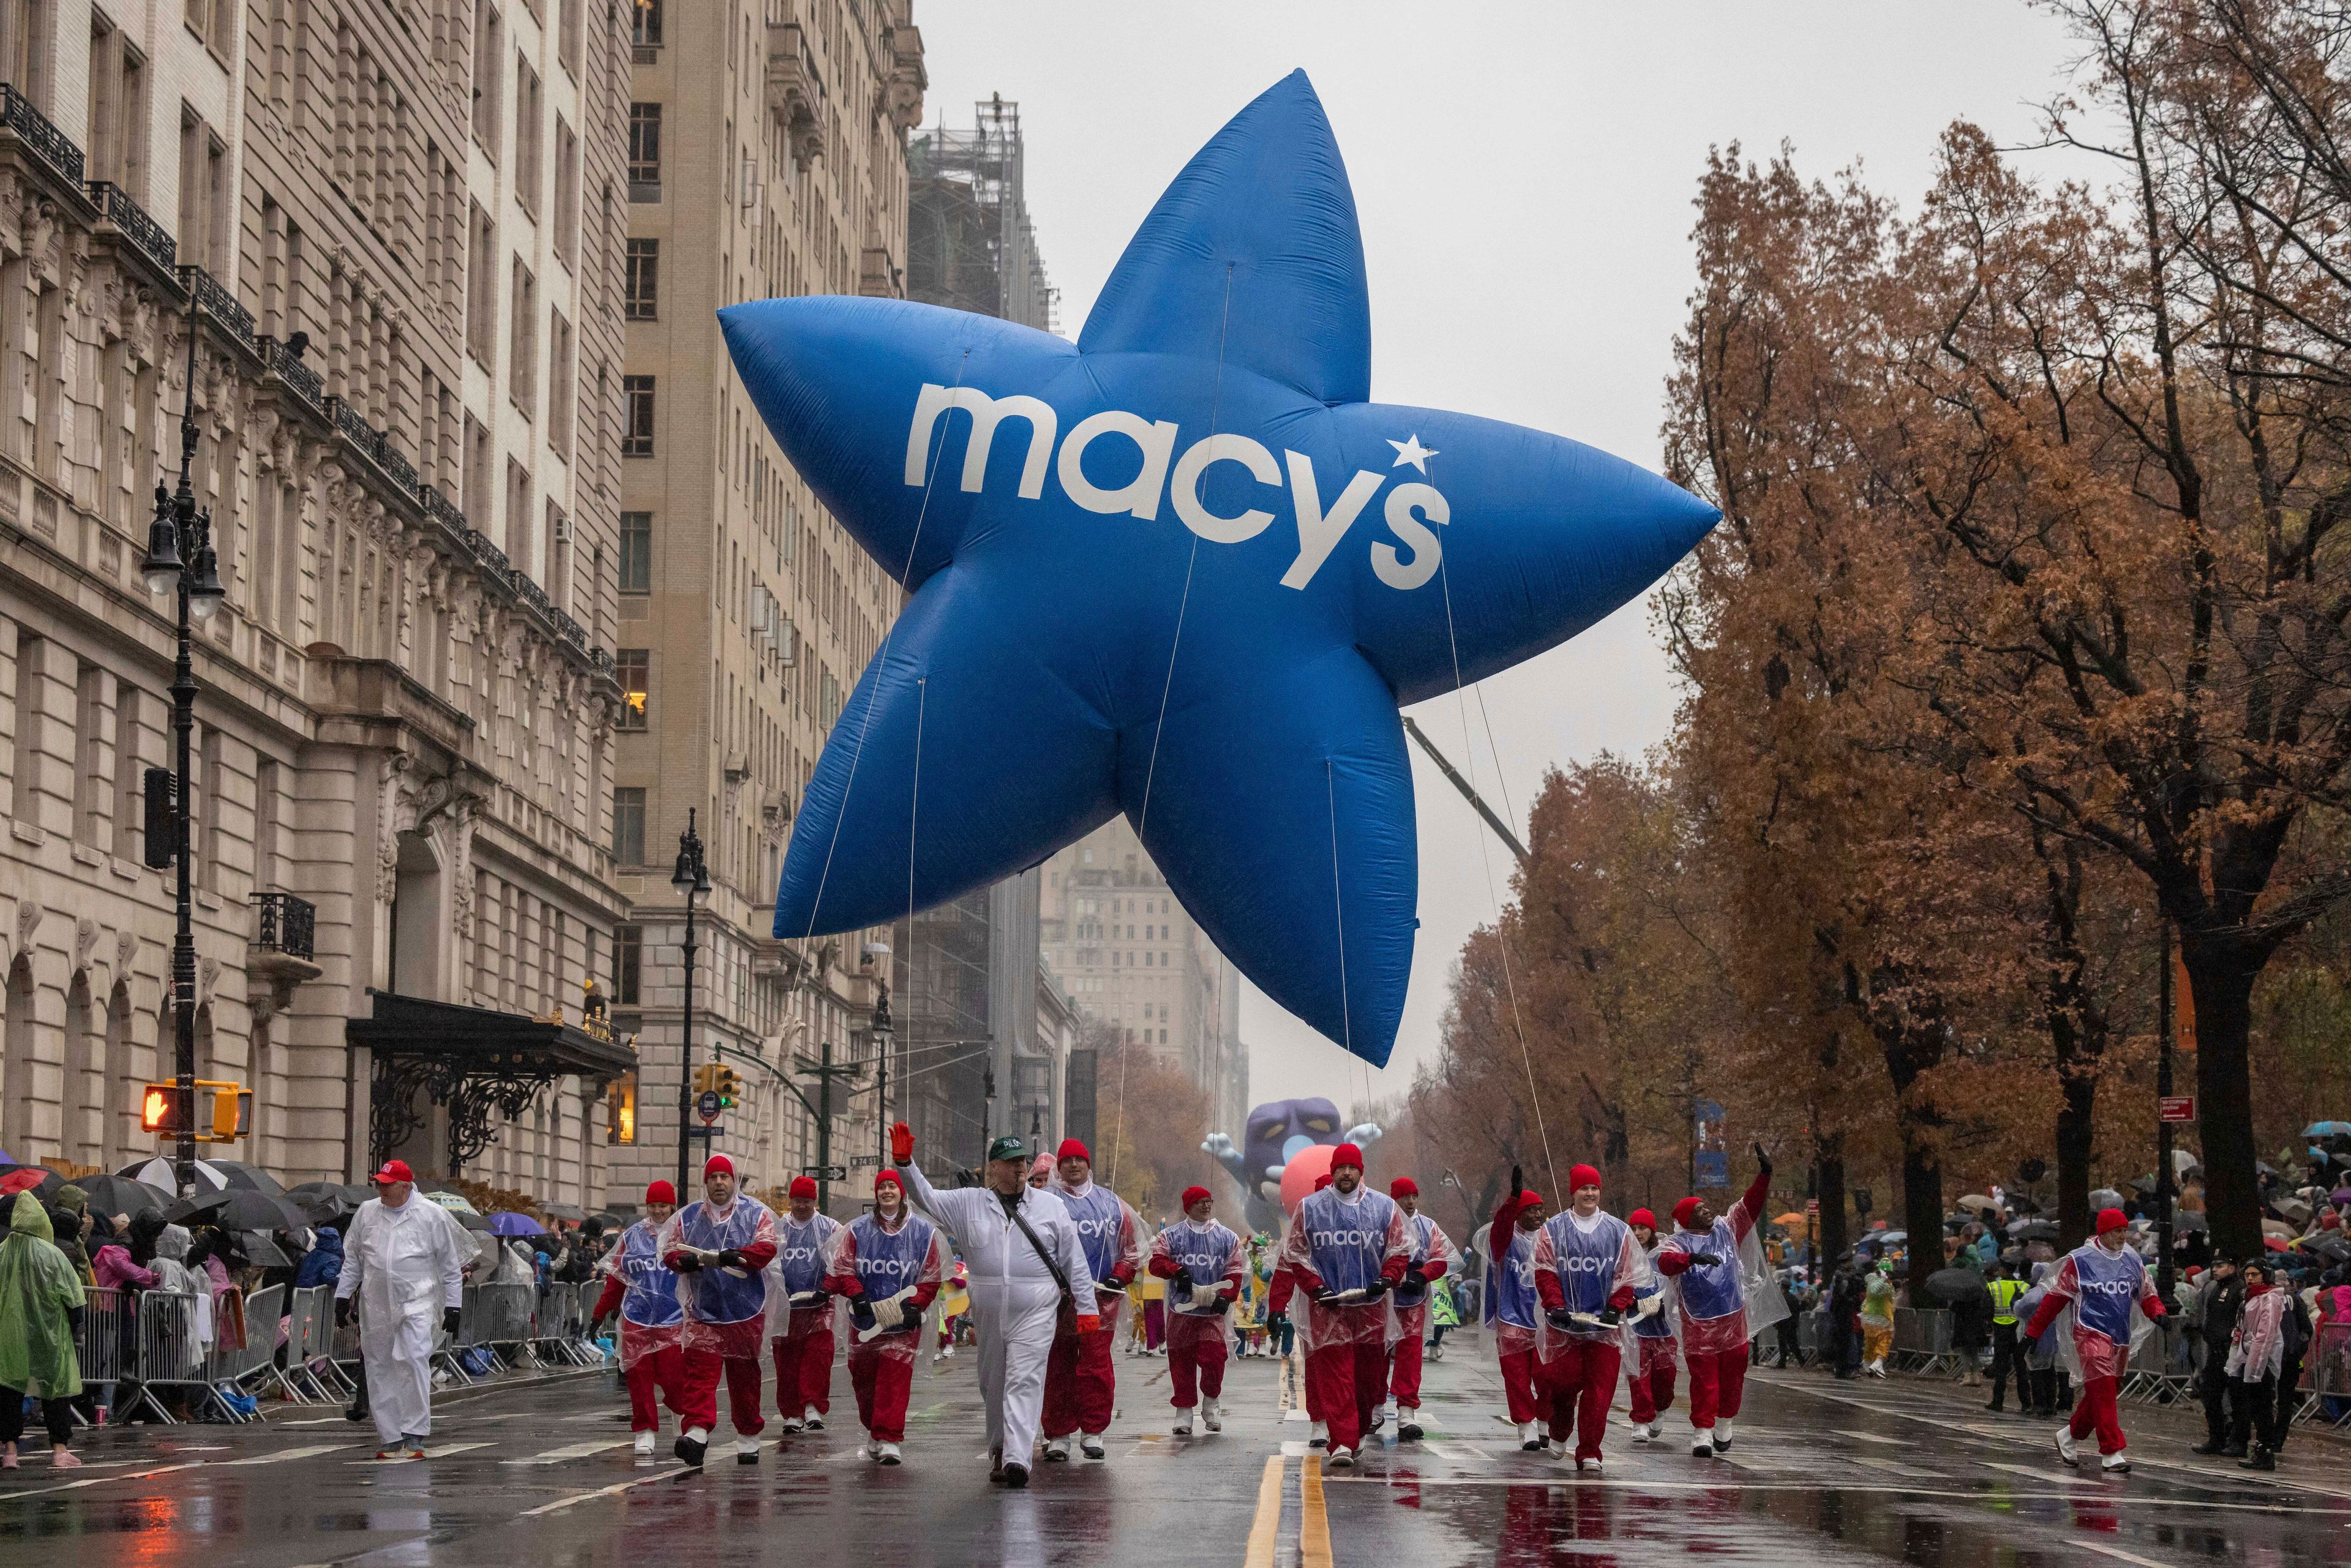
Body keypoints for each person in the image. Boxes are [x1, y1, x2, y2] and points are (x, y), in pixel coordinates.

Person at [891, 1123, 1095, 1488]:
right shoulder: (968, 1202)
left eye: (1022, 1162)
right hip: (987, 1311)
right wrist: (905, 1163)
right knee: (994, 1383)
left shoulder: (1051, 1206)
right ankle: (1000, 1447)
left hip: (1036, 1309)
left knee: (1025, 1379)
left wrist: (1088, 1308)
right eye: (1009, 1162)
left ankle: (1018, 1459)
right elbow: (925, 1196)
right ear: (992, 1169)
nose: (1018, 1169)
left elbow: (1074, 1262)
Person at [1271, 1143, 1409, 1468]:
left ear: (1361, 1172)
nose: (1346, 1173)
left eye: (1352, 1167)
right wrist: (1316, 1289)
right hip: (1328, 1307)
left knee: (1367, 1378)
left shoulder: (1384, 1207)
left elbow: (1400, 1250)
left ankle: (1358, 1431)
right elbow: (1295, 1255)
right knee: (1336, 1376)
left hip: (1371, 1306)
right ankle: (1342, 1442)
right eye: (1340, 1168)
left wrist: (1387, 1279)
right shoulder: (1310, 1208)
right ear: (1333, 1171)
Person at [333, 1160, 468, 1461]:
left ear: (406, 1186)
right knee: (379, 1365)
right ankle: (391, 1436)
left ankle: (415, 1432)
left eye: (387, 1183)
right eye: (379, 1183)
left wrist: (453, 1306)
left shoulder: (431, 1216)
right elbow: (354, 1258)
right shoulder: (368, 1213)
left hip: (417, 1301)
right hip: (376, 1303)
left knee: (412, 1358)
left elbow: (450, 1267)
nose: (381, 1188)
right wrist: (342, 1297)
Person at [2022, 1207, 2167, 1473]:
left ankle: (2068, 1436)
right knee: (2103, 1391)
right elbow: (2055, 1299)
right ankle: (2112, 1451)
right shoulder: (2080, 1261)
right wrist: (2034, 1331)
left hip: (2120, 1336)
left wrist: (2158, 1313)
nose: (2123, 1236)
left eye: (2125, 1231)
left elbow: (2146, 1293)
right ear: (2103, 1231)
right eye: (2117, 1231)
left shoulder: (2132, 1261)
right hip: (2089, 1332)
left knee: (2104, 1393)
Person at [1654, 1146, 1777, 1457]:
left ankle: (1724, 1423)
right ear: (1687, 1219)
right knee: (1704, 1380)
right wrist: (1690, 1258)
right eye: (1700, 1210)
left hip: (1733, 1318)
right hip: (1698, 1323)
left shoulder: (1726, 1229)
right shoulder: (1676, 1242)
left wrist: (1764, 1176)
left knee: (1733, 1377)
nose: (1708, 1212)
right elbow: (1665, 1263)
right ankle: (1703, 1432)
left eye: (1707, 1207)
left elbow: (1750, 1206)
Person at [659, 1153, 779, 1468]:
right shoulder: (688, 1218)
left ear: (734, 1181)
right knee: (699, 1375)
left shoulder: (756, 1214)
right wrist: (680, 1262)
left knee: (744, 1379)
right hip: (704, 1311)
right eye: (713, 1177)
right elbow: (669, 1250)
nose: (719, 1183)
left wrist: (738, 1256)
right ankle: (697, 1433)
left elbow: (768, 1247)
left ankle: (749, 1436)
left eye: (725, 1177)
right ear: (706, 1182)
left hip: (746, 1310)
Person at [823, 1169, 948, 1465]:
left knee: (895, 1378)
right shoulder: (857, 1230)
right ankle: (875, 1428)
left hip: (902, 1321)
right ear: (877, 1193)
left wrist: (916, 1305)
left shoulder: (923, 1232)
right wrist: (856, 1294)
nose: (887, 1192)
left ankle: (890, 1437)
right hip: (864, 1318)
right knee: (864, 1379)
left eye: (893, 1186)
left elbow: (931, 1276)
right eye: (882, 1187)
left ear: (902, 1193)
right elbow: (843, 1267)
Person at [1532, 1164, 1646, 1471]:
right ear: (1573, 1191)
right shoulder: (1552, 1229)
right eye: (1584, 1188)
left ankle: (1590, 1452)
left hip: (1604, 1329)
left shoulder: (1618, 1230)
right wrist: (1555, 1306)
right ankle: (1558, 1431)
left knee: (1600, 1391)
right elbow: (1544, 1272)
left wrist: (1616, 1307)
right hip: (1565, 1327)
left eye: (1594, 1188)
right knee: (1563, 1386)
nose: (1590, 1193)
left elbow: (1626, 1275)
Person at [1043, 1139, 1141, 1461]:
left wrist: (1119, 1277)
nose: (1073, 1165)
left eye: (1079, 1160)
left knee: (1096, 1367)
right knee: (1058, 1367)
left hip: (1101, 1302)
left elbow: (1132, 1250)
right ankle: (1058, 1434)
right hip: (1056, 1303)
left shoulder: (1112, 1204)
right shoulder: (1044, 1202)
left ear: (1089, 1165)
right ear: (1059, 1166)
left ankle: (1093, 1432)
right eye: (1067, 1160)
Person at [589, 1181, 688, 1457]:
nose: (658, 1211)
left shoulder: (684, 1233)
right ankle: (644, 1430)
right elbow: (616, 1278)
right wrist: (600, 1313)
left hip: (674, 1319)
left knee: (674, 1377)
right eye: (653, 1206)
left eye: (663, 1206)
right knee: (639, 1377)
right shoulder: (632, 1237)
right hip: (637, 1319)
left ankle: (680, 1413)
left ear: (672, 1206)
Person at [1149, 1184, 1245, 1436]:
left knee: (1214, 1358)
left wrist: (1227, 1297)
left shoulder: (1227, 1237)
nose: (1205, 1205)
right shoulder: (1171, 1236)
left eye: (1208, 1201)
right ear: (1188, 1206)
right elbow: (1156, 1262)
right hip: (1181, 1312)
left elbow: (1235, 1270)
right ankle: (1183, 1410)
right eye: (1199, 1202)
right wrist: (1176, 1270)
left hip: (1212, 1314)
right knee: (1181, 1362)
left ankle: (1211, 1401)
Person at [0, 1191, 86, 1470]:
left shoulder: (2, 1253)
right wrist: (74, 1329)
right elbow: (74, 1299)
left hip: (9, 1336)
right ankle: (59, 1450)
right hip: (50, 1335)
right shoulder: (53, 1255)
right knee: (55, 1390)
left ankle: (10, 1451)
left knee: (9, 1390)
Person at [768, 1176, 841, 1433]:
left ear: (814, 1201)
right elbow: (768, 1263)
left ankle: (812, 1405)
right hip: (784, 1307)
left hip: (819, 1306)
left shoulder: (830, 1228)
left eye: (806, 1201)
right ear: (791, 1200)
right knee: (786, 1361)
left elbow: (840, 1262)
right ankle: (792, 1413)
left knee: (818, 1355)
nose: (801, 1206)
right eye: (797, 1200)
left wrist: (827, 1289)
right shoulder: (777, 1228)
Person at [1382, 1177, 1454, 1440]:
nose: (1410, 1202)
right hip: (1384, 1299)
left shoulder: (1428, 1227)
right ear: (1395, 1198)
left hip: (1414, 1300)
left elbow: (1441, 1258)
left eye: (1414, 1196)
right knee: (1377, 1354)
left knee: (1410, 1356)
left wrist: (1422, 1276)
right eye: (1405, 1197)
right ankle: (1375, 1408)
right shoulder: (1382, 1222)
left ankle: (1406, 1413)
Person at [1485, 1184, 1550, 1450]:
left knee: (1548, 1376)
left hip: (1546, 1319)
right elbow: (1500, 1228)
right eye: (1531, 1210)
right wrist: (1511, 1201)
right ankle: (1527, 1426)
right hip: (1511, 1318)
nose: (1537, 1215)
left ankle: (1545, 1420)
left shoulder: (1550, 1240)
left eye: (1540, 1210)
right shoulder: (1506, 1239)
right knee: (1517, 1377)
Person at [2224, 1259, 2298, 1471]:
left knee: (2263, 1407)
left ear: (2264, 1275)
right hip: (2247, 1358)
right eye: (2247, 1274)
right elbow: (2242, 1331)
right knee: (2255, 1406)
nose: (2250, 1278)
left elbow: (2265, 1335)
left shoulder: (2271, 1299)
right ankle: (2260, 1448)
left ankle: (2265, 1451)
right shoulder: (2250, 1297)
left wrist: (2255, 1369)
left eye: (2254, 1274)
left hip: (2261, 1362)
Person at [1624, 1207, 1679, 1441]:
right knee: (1638, 1377)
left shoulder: (1662, 1256)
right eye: (1634, 1228)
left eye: (1642, 1228)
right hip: (1636, 1331)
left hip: (1665, 1330)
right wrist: (1634, 1303)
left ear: (1652, 1230)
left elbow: (1674, 1286)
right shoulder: (1625, 1257)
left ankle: (1660, 1409)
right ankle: (1640, 1422)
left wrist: (1661, 1305)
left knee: (1665, 1378)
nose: (1637, 1233)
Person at [2187, 1256, 2244, 1455]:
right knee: (2210, 1395)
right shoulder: (2214, 1288)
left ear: (2232, 1267)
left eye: (2220, 1266)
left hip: (2232, 1351)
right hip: (2215, 1349)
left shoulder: (2239, 1289)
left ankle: (2238, 1441)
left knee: (2237, 1399)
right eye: (2213, 1266)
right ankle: (2216, 1438)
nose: (2215, 1270)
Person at [1984, 1258, 2028, 1412]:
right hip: (2018, 1331)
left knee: (2001, 1367)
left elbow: (1988, 1310)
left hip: (2001, 1330)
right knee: (2021, 1367)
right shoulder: (2024, 1286)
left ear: (2003, 1270)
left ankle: (1998, 1402)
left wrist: (1990, 1323)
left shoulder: (1993, 1286)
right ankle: (2026, 1403)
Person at [1826, 1257, 1865, 1380]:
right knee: (1846, 1343)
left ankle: (1840, 1370)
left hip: (1840, 1314)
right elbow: (1844, 1295)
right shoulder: (1844, 1278)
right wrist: (1853, 1300)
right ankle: (1845, 1369)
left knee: (1842, 1343)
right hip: (1844, 1315)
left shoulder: (1838, 1276)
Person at [1861, 1261, 1897, 1376]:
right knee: (1885, 1340)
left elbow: (1869, 1298)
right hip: (1882, 1317)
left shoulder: (1874, 1281)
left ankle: (1867, 1362)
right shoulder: (1878, 1282)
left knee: (1871, 1341)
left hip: (1870, 1317)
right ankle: (1878, 1362)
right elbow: (1874, 1291)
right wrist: (1883, 1279)